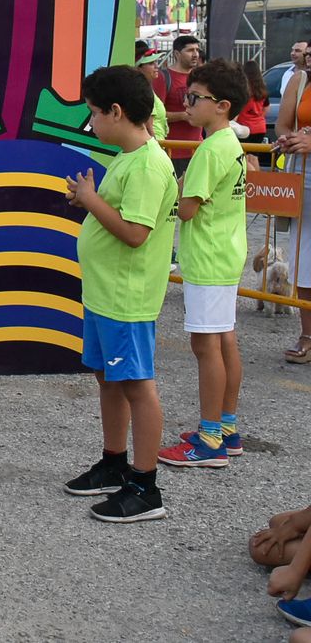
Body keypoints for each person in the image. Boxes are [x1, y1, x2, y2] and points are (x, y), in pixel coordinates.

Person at [62, 65, 176, 523]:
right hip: (105, 293)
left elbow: (134, 234)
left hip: (128, 297)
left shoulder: (148, 164)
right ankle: (114, 461)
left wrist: (90, 200)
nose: (91, 123)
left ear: (116, 110)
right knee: (108, 379)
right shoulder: (127, 158)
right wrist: (90, 200)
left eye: (94, 113)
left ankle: (146, 486)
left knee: (135, 384)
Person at [156, 61, 247, 469]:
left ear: (222, 105)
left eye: (195, 98)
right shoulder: (230, 143)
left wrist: (164, 196)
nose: (186, 104)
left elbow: (187, 208)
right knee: (224, 339)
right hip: (226, 253)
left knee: (205, 345)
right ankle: (225, 427)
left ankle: (209, 438)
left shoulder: (211, 149)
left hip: (208, 257)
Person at [276, 62, 311, 364]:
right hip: (304, 178)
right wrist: (290, 138)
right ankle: (307, 336)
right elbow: (283, 125)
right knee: (305, 259)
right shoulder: (300, 80)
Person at [153, 34, 203, 168]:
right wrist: (182, 116)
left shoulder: (201, 77)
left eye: (197, 50)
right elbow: (156, 114)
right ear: (177, 54)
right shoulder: (163, 77)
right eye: (190, 50)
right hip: (172, 151)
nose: (195, 54)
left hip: (198, 149)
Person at [133, 41, 168, 141]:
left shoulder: (144, 88)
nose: (157, 66)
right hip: (153, 144)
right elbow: (148, 126)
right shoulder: (142, 91)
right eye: (151, 63)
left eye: (156, 62)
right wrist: (156, 148)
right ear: (138, 68)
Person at [239, 60, 269, 169]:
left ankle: (250, 181)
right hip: (260, 128)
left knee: (244, 157)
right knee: (254, 157)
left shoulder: (243, 90)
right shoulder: (262, 88)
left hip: (244, 128)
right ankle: (258, 182)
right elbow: (266, 108)